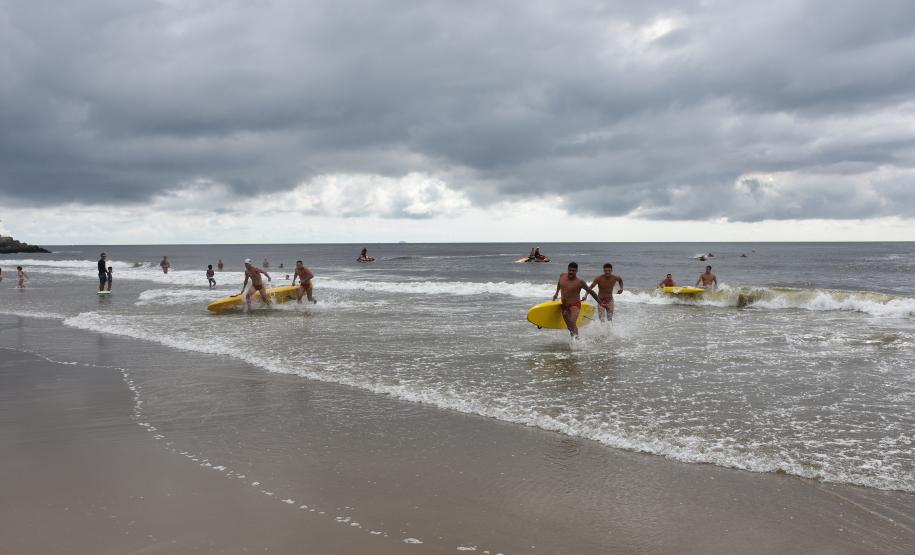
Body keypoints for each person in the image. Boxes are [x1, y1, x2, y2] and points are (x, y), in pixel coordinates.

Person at [552, 262, 604, 339]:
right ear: (567, 269)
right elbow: (559, 283)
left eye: (573, 271)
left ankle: (576, 341)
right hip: (564, 305)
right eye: (569, 270)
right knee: (570, 327)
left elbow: (591, 292)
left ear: (576, 271)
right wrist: (556, 293)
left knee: (572, 323)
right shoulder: (562, 275)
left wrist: (600, 303)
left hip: (575, 305)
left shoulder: (580, 282)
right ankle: (575, 339)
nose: (571, 272)